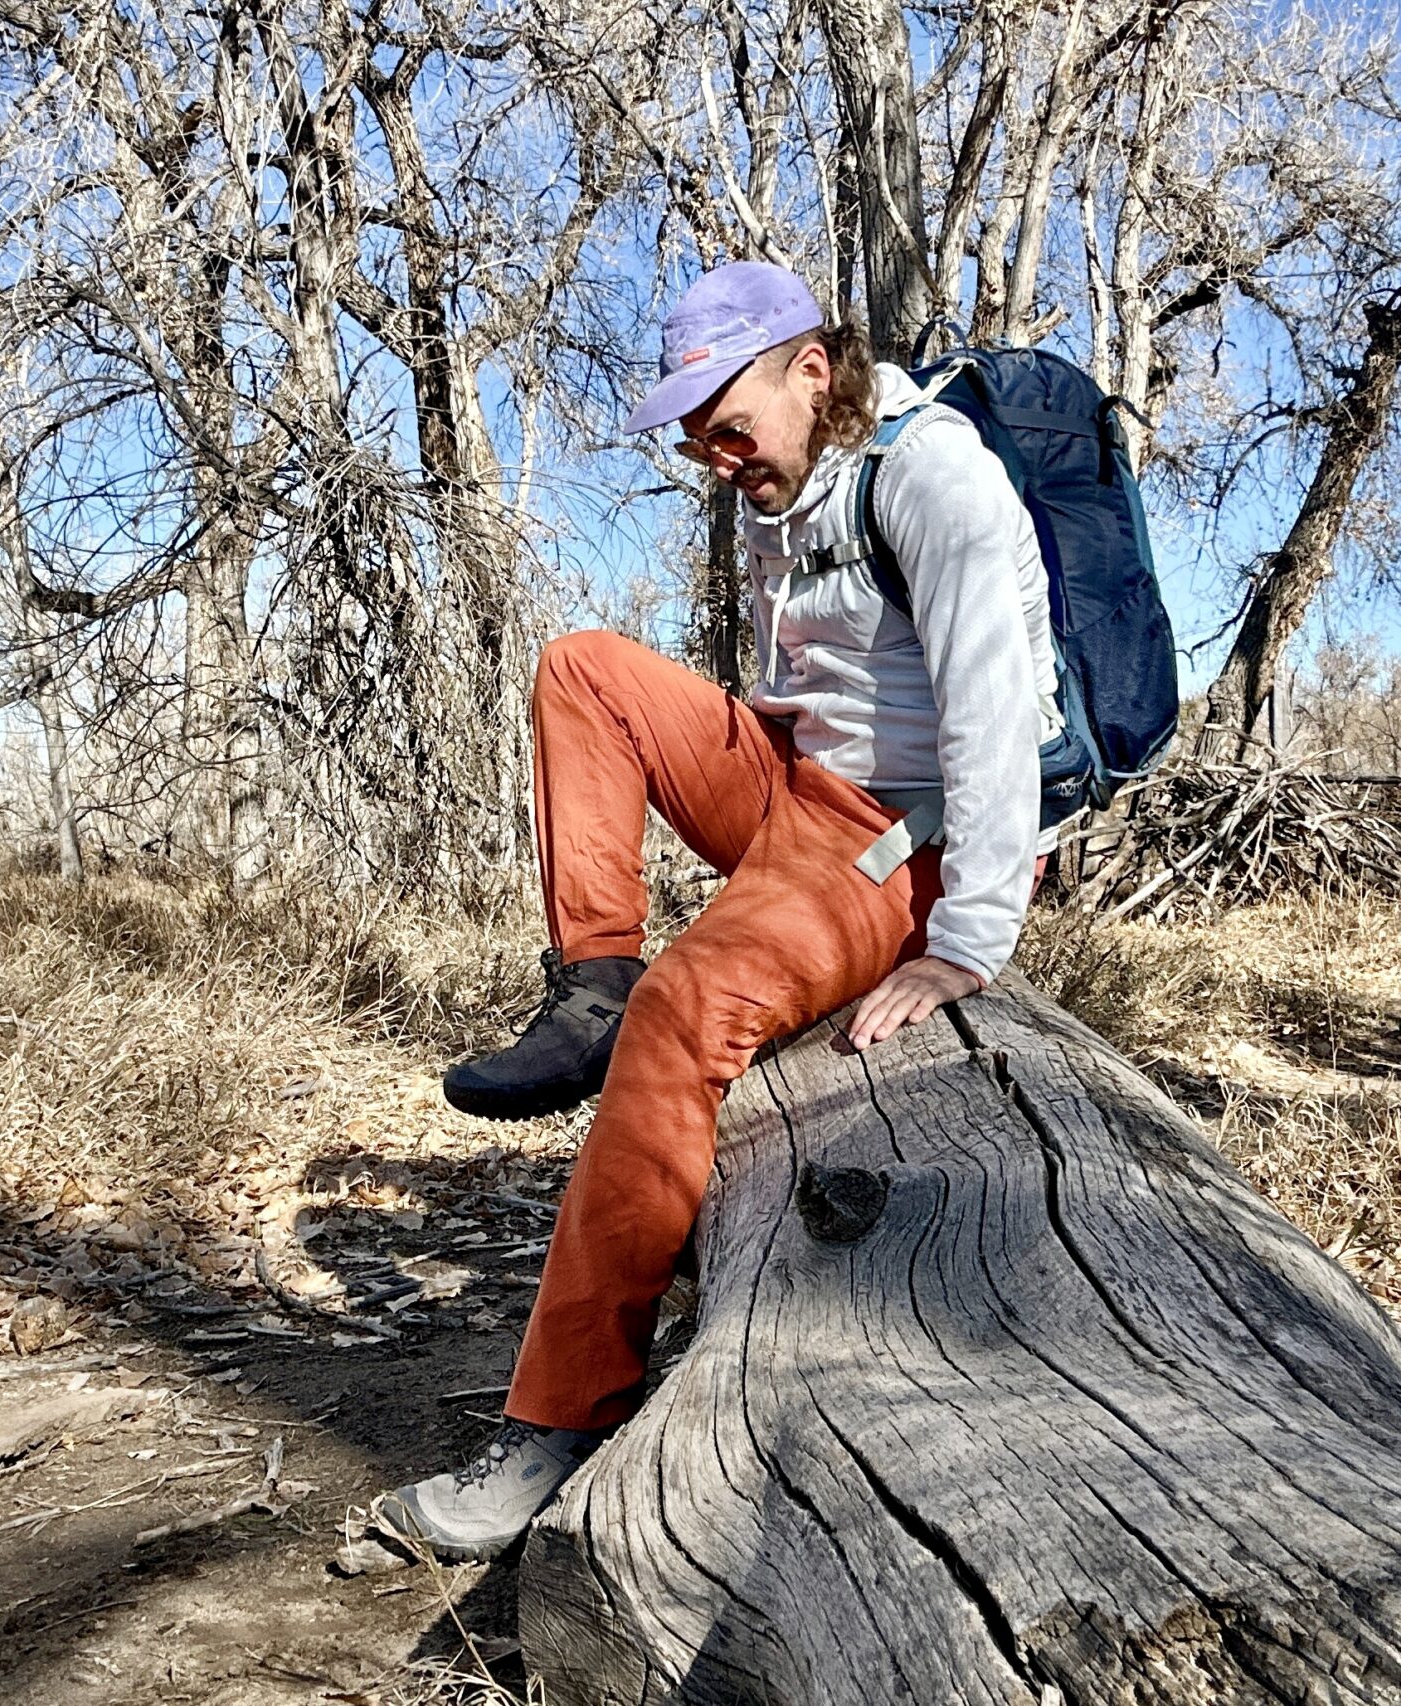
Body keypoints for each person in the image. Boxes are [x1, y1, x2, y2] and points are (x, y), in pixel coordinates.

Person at [376, 261, 1058, 1559]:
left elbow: (995, 721)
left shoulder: (937, 478)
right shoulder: (786, 484)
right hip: (799, 782)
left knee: (689, 1015)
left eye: (723, 416)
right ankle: (589, 984)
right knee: (587, 670)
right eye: (690, 427)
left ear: (814, 367)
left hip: (906, 832)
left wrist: (965, 945)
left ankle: (561, 1422)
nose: (706, 447)